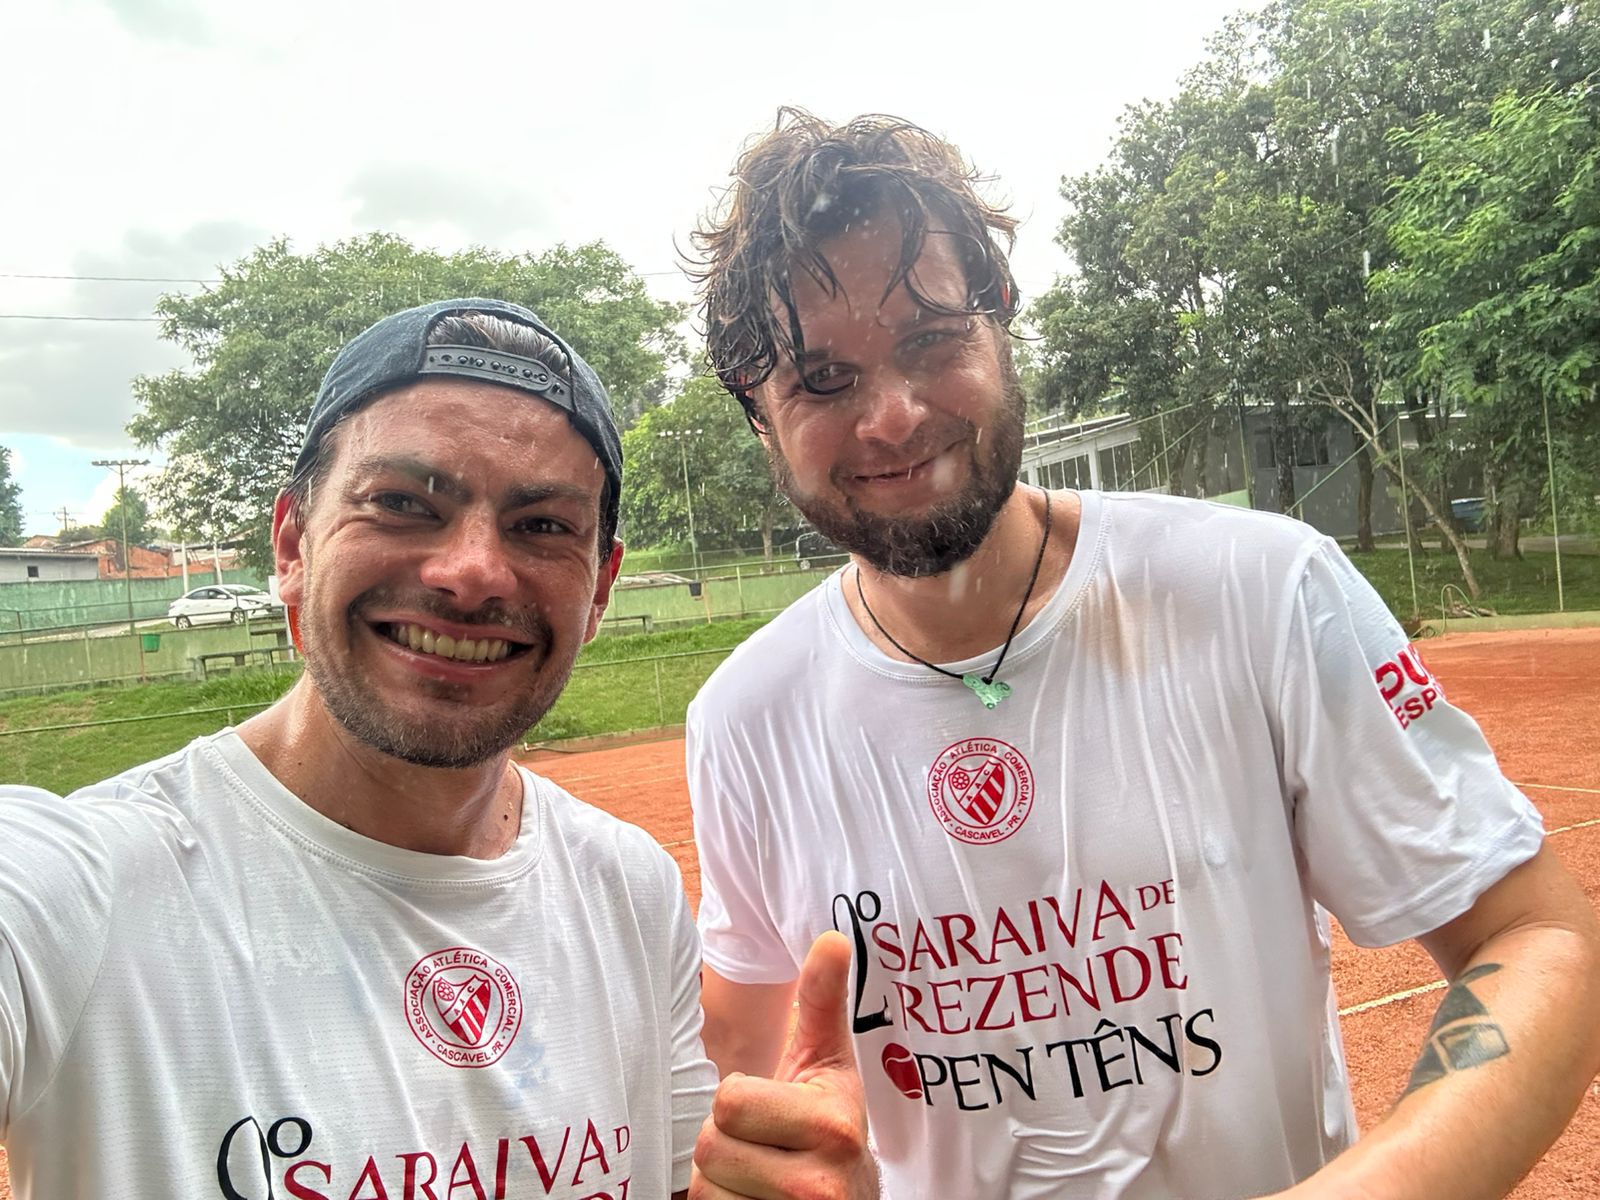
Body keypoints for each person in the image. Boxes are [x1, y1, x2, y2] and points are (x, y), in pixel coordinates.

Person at [680, 111, 1600, 1199]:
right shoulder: (746, 718)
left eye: (930, 340)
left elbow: (1536, 934)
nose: (891, 418)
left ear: (1001, 317)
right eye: (822, 380)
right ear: (757, 414)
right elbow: (744, 1075)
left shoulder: (1259, 591)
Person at [0, 298, 717, 1199]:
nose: (471, 573)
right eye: (403, 504)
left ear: (601, 587)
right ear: (292, 546)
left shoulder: (631, 892)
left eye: (542, 525)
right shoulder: (82, 891)